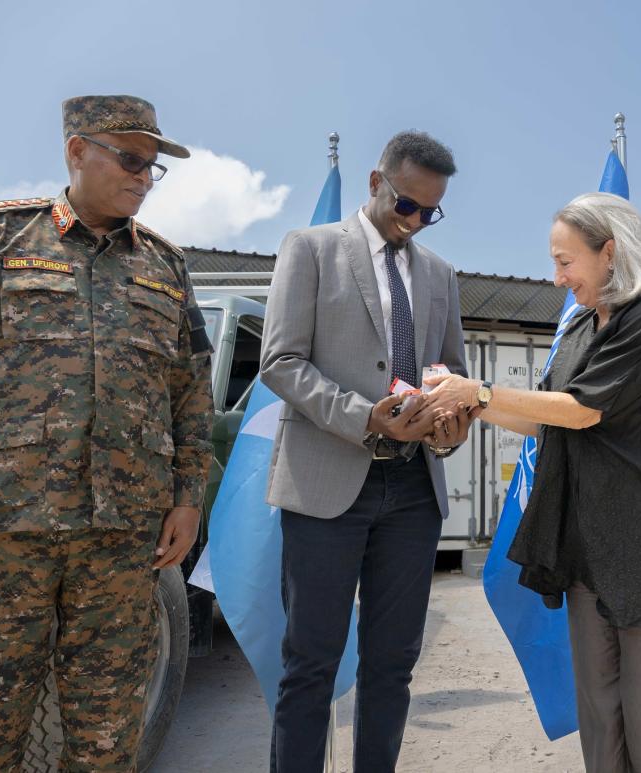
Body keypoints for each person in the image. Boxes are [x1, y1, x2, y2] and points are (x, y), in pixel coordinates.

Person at [0, 94, 213, 771]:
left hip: (123, 545)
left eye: (153, 166)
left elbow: (189, 393)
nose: (142, 177)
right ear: (77, 151)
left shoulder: (166, 266)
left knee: (106, 737)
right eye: (130, 159)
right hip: (0, 537)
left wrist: (187, 495)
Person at [427, 192, 641, 772]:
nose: (556, 277)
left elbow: (583, 409)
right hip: (586, 540)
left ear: (609, 253)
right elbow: (544, 416)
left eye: (566, 261)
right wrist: (466, 399)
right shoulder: (582, 325)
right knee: (600, 706)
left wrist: (479, 392)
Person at [260, 130, 473, 772]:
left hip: (412, 495)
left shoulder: (438, 274)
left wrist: (451, 423)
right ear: (376, 183)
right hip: (328, 485)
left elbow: (453, 371)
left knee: (393, 665)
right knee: (311, 665)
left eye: (429, 212)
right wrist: (366, 419)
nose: (414, 222)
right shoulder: (312, 248)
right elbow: (281, 361)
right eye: (406, 205)